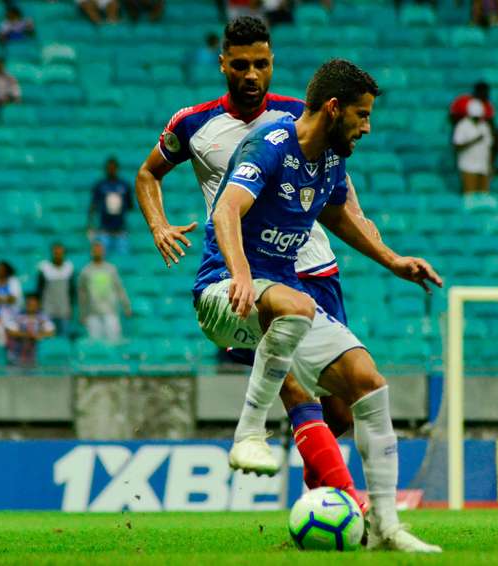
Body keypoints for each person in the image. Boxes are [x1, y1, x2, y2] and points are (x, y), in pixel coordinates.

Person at [195, 59, 443, 552]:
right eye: (361, 114)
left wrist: (392, 260)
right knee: (295, 306)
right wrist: (242, 274)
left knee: (367, 382)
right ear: (334, 108)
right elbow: (226, 208)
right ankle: (250, 433)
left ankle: (385, 529)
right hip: (224, 293)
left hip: (284, 298)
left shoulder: (331, 160)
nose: (367, 127)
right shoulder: (269, 146)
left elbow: (337, 216)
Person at [136, 17, 378, 519]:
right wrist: (158, 224)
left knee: (340, 409)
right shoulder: (192, 124)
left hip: (316, 270)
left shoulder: (299, 114)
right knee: (291, 384)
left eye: (261, 64)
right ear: (223, 63)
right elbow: (147, 173)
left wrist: (366, 226)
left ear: (273, 64)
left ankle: (321, 499)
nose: (251, 74)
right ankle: (348, 500)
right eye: (241, 64)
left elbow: (340, 186)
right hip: (251, 275)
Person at [78, 241, 131, 343]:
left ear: (103, 252)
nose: (97, 252)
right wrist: (82, 314)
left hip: (110, 312)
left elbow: (119, 289)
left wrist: (126, 306)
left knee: (114, 342)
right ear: (91, 252)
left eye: (100, 250)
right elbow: (82, 295)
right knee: (95, 344)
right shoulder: (86, 271)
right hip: (93, 313)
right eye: (95, 250)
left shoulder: (111, 269)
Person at [89, 157, 133, 255]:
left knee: (124, 260)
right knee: (103, 257)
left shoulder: (124, 185)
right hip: (104, 231)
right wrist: (90, 226)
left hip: (121, 230)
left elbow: (130, 205)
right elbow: (93, 205)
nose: (111, 170)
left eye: (113, 168)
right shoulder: (100, 185)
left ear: (117, 169)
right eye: (109, 168)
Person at [453, 99, 493, 195]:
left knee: (484, 195)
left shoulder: (485, 126)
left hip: (483, 165)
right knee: (470, 195)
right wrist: (474, 140)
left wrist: (490, 165)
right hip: (468, 165)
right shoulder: (462, 125)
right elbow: (457, 146)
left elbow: (489, 147)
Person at [36, 243, 75, 339]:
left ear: (63, 253)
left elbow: (71, 291)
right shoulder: (45, 268)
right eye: (56, 252)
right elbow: (40, 289)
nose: (58, 254)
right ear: (52, 253)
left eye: (60, 252)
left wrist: (70, 307)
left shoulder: (69, 268)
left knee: (64, 337)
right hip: (48, 309)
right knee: (47, 337)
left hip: (64, 310)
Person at [5, 294, 55, 368]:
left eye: (34, 305)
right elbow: (10, 331)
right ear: (26, 304)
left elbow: (51, 332)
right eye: (29, 304)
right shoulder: (18, 316)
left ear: (38, 305)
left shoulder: (43, 317)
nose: (31, 307)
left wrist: (38, 335)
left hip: (36, 349)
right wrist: (26, 335)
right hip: (20, 348)